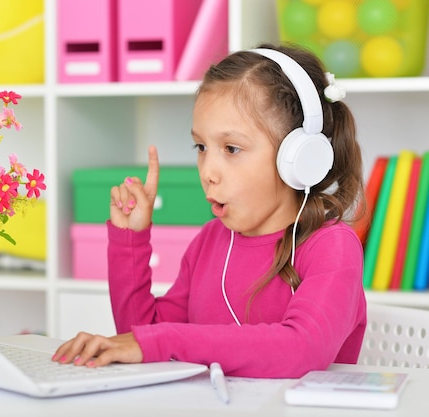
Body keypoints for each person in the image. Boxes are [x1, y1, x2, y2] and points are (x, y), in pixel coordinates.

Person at [52, 43, 367, 378]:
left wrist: (161, 340)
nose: (207, 171)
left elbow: (301, 349)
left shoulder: (331, 246)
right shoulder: (211, 240)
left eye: (231, 148)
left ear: (298, 158)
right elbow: (142, 337)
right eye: (201, 147)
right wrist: (130, 241)